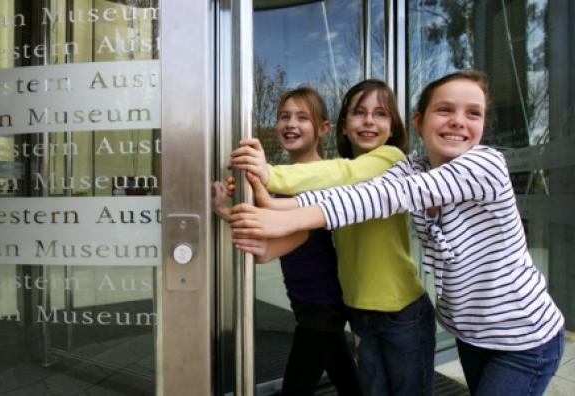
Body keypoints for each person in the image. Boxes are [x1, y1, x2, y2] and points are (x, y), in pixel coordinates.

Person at [230, 71, 565, 396]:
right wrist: (273, 206)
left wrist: (274, 183)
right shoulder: (413, 167)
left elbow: (386, 196)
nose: (459, 120)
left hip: (524, 339)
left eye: (473, 113)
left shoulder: (484, 165)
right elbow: (352, 196)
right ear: (419, 122)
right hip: (472, 335)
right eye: (445, 109)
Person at [230, 80, 436, 396]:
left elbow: (340, 174)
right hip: (359, 310)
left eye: (380, 114)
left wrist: (270, 174)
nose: (369, 121)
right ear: (342, 125)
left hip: (401, 310)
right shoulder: (348, 171)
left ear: (393, 126)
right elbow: (306, 204)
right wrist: (253, 196)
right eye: (359, 112)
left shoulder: (391, 159)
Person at [214, 86, 361, 396]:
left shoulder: (322, 174)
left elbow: (297, 230)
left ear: (322, 128)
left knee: (296, 388)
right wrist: (225, 210)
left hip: (323, 303)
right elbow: (268, 224)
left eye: (302, 118)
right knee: (347, 380)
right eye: (284, 116)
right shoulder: (284, 175)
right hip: (305, 299)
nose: (291, 124)